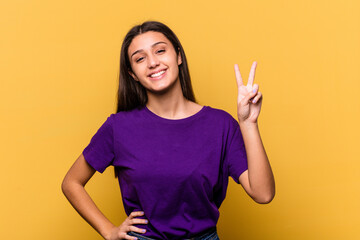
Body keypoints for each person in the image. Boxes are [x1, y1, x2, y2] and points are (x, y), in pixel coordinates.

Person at [61, 21, 275, 240]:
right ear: (132, 73)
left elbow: (263, 193)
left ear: (178, 56)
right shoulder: (119, 127)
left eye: (160, 51)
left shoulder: (221, 124)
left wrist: (249, 124)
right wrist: (108, 230)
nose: (153, 62)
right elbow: (71, 182)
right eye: (140, 58)